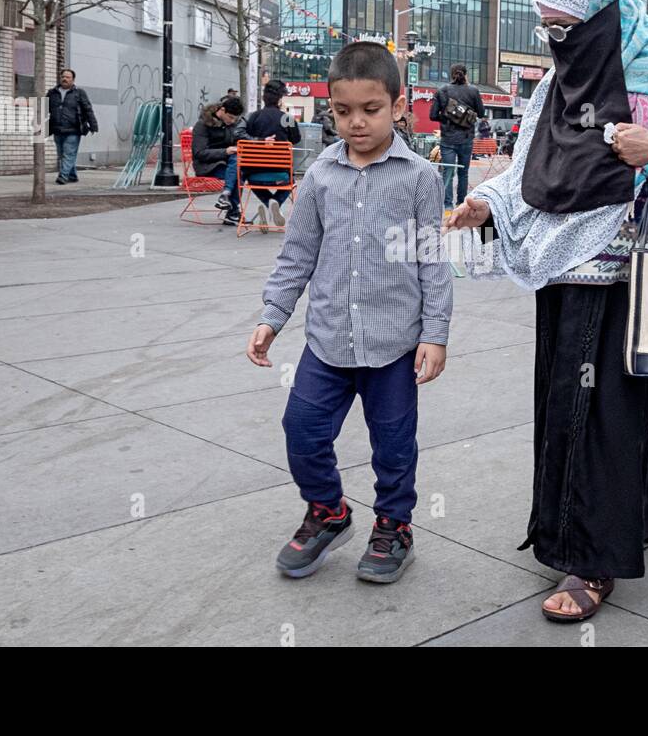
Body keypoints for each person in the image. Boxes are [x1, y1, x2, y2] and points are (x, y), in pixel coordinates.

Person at [445, 0, 648, 622]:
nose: (558, 41)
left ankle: (590, 560)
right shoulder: (557, 86)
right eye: (548, 29)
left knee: (599, 411)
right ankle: (640, 510)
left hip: (641, 274)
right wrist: (487, 205)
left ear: (604, 18)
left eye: (568, 28)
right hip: (567, 274)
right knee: (582, 404)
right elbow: (529, 167)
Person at [247, 42, 452, 584]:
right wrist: (273, 316)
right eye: (343, 112)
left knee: (393, 443)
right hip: (328, 343)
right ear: (329, 109)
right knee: (302, 429)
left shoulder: (419, 178)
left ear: (399, 106)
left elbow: (432, 262)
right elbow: (297, 255)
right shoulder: (319, 175)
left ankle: (394, 526)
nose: (356, 123)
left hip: (394, 347)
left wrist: (436, 333)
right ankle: (328, 511)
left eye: (371, 110)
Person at [245, 79, 302, 228]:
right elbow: (295, 139)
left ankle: (267, 204)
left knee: (252, 183)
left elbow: (246, 138)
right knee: (291, 182)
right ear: (280, 98)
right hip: (280, 173)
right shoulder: (286, 118)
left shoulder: (253, 117)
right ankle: (273, 203)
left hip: (254, 173)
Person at [429, 63, 485, 210]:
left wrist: (447, 119)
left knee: (447, 172)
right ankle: (461, 204)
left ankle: (447, 206)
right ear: (466, 74)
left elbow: (432, 115)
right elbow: (481, 113)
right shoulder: (473, 91)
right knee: (463, 173)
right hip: (466, 137)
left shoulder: (442, 91)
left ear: (451, 74)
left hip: (447, 139)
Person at [191, 96, 247, 223]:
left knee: (238, 165)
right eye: (231, 117)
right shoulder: (202, 125)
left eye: (235, 119)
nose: (232, 121)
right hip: (207, 165)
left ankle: (226, 195)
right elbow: (199, 153)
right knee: (238, 174)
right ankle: (232, 212)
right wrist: (225, 151)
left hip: (227, 163)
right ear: (222, 110)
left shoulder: (231, 125)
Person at [46, 69, 98, 185]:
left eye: (68, 77)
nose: (65, 79)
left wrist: (93, 125)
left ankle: (63, 176)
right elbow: (44, 109)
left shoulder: (79, 93)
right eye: (63, 76)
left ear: (73, 80)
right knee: (61, 155)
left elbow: (88, 109)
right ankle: (72, 176)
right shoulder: (52, 93)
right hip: (57, 129)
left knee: (69, 153)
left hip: (73, 130)